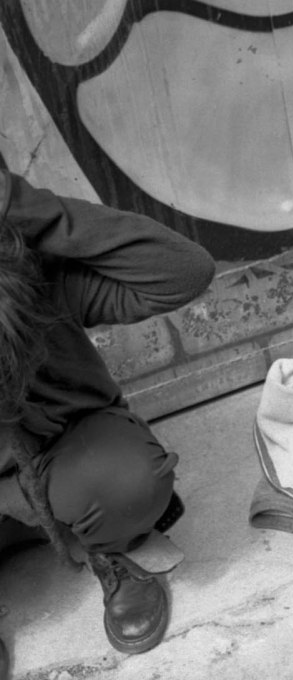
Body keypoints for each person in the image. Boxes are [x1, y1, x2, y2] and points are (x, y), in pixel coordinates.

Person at [0, 169, 215, 663]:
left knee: (126, 480)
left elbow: (184, 271)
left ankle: (114, 547)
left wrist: (19, 204)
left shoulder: (29, 279)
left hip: (66, 470)